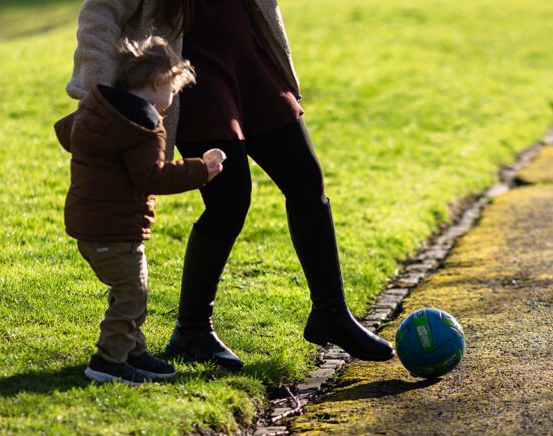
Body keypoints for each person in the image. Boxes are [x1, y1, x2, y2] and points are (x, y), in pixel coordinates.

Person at [66, 0, 395, 370]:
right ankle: (192, 330)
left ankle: (331, 314)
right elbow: (100, 13)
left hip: (251, 63)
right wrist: (97, 92)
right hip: (193, 76)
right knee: (230, 199)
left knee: (306, 181)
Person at [55, 36, 223, 385]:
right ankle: (108, 360)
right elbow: (152, 177)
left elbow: (66, 131)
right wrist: (200, 171)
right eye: (173, 91)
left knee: (129, 289)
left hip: (89, 225)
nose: (171, 101)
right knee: (132, 294)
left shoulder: (98, 107)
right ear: (157, 84)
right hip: (115, 230)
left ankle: (133, 350)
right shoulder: (143, 126)